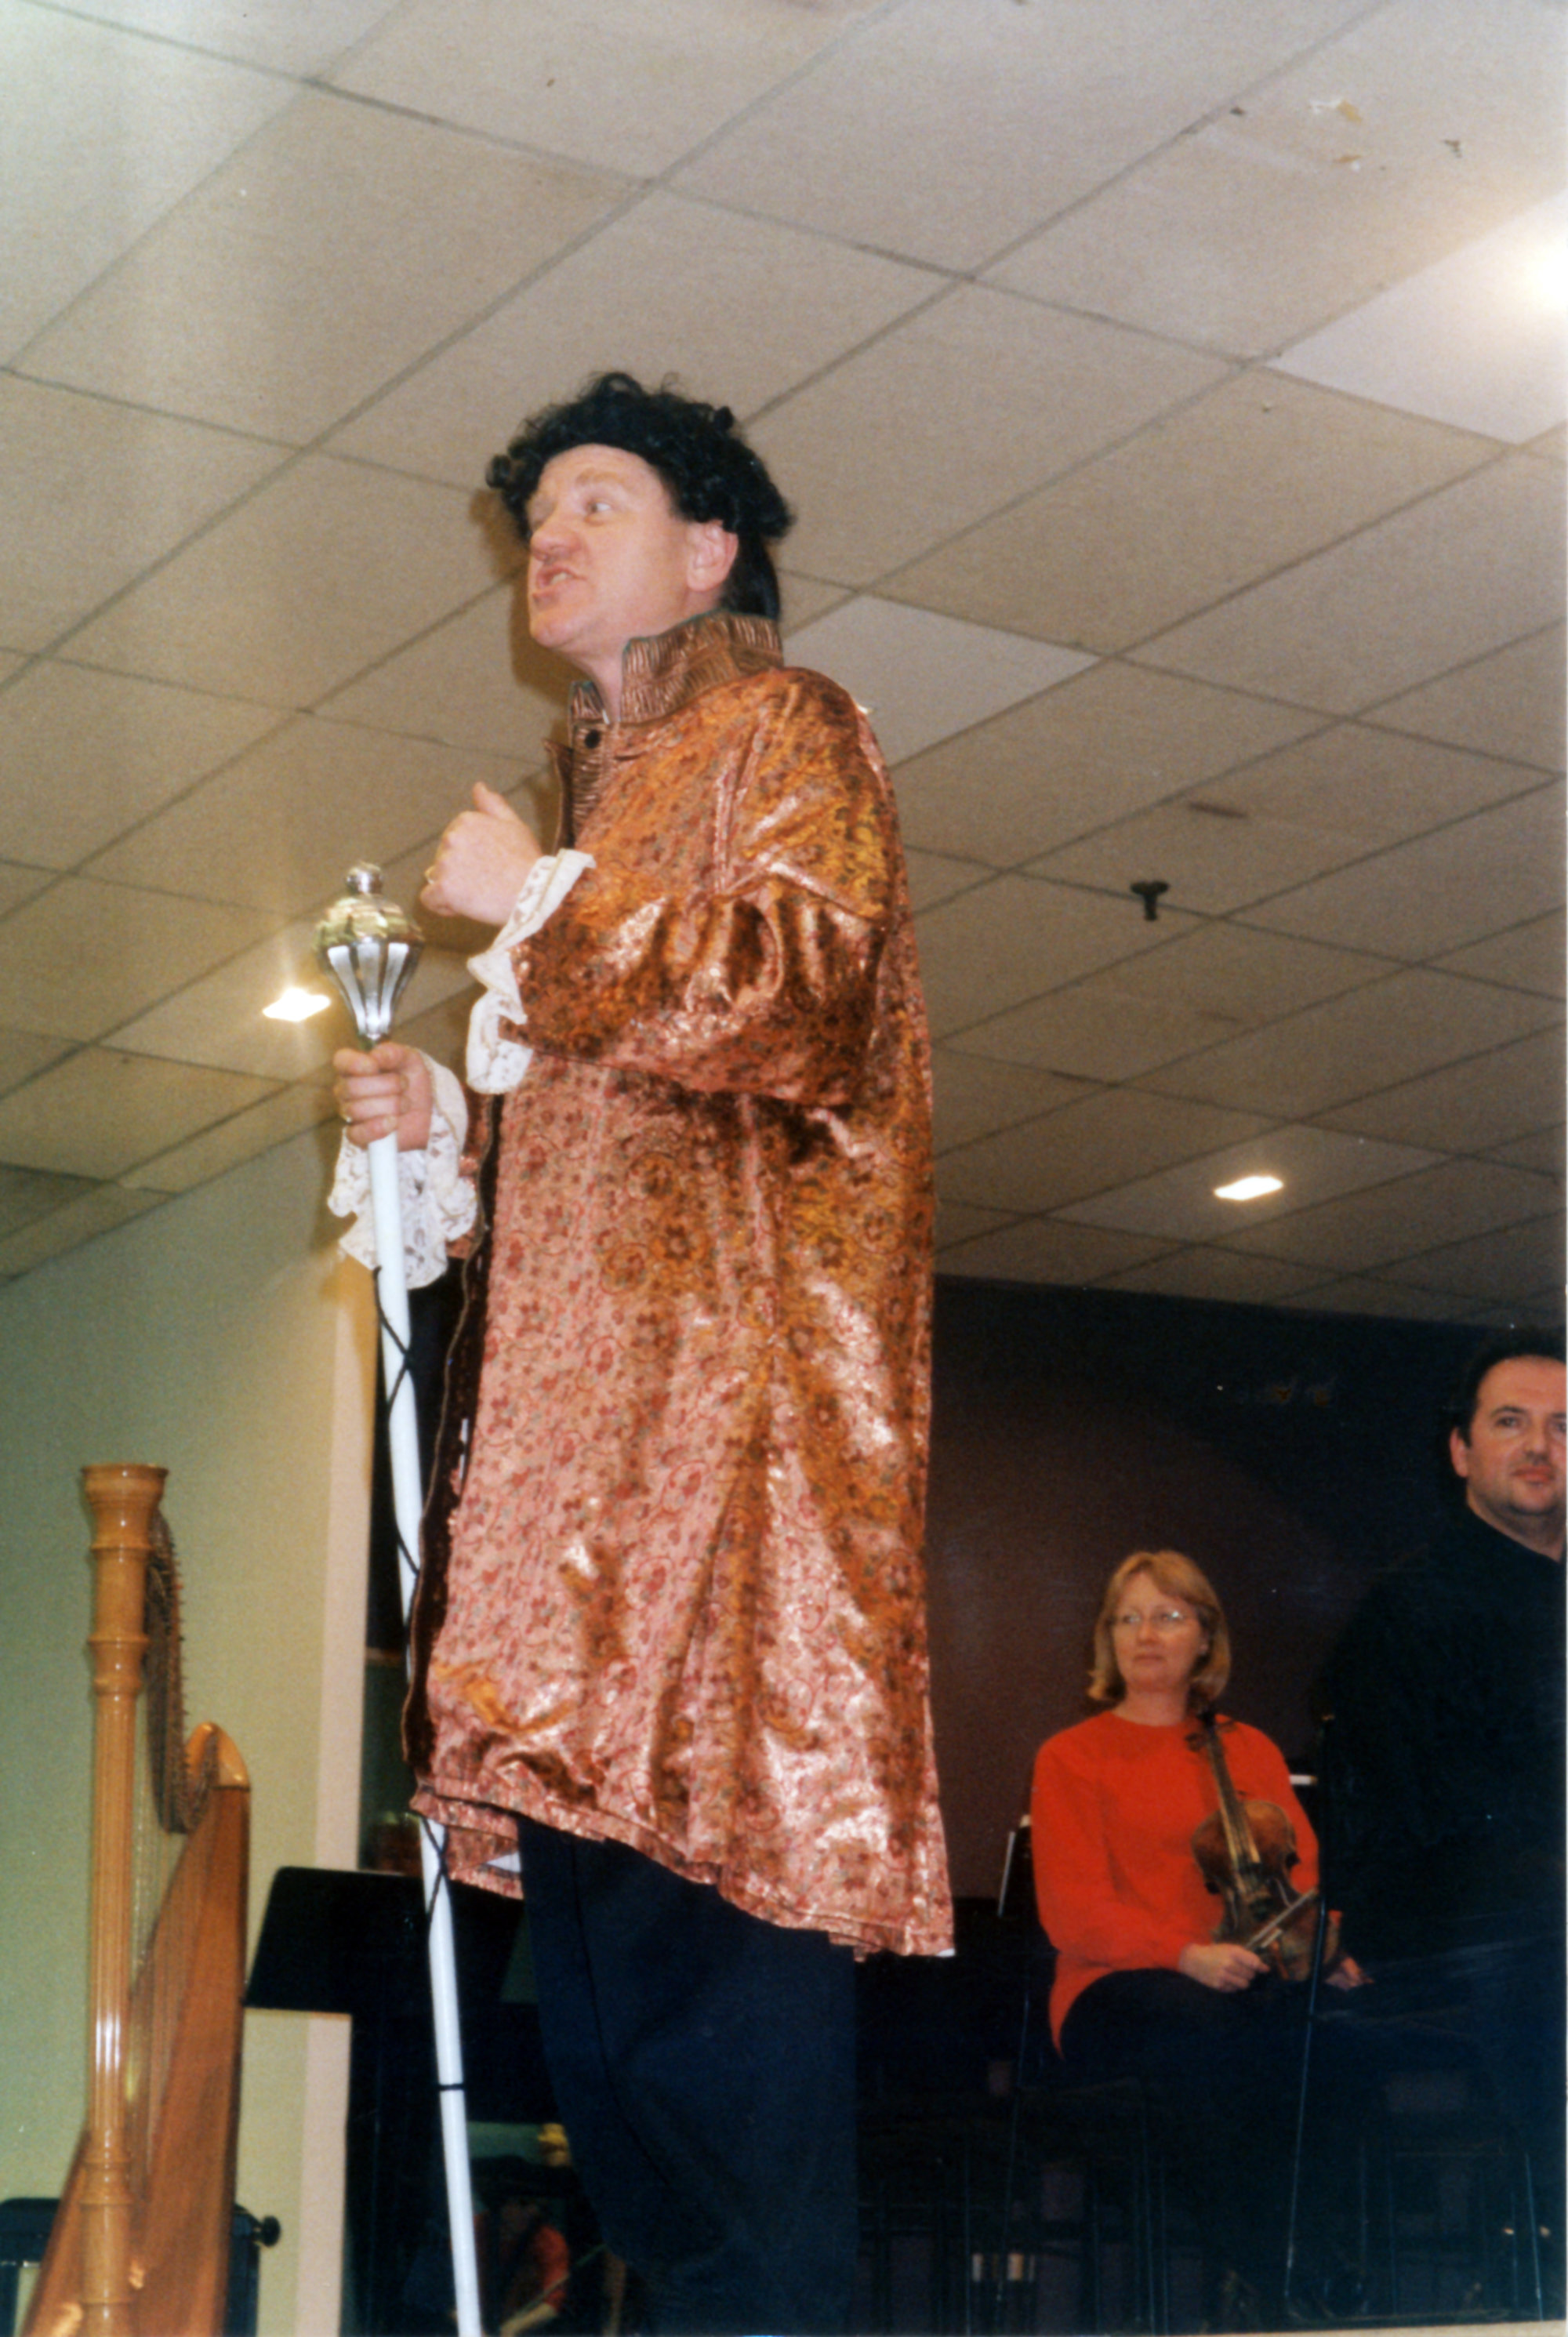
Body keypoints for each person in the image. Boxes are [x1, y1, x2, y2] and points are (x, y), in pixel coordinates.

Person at [332, 371, 952, 2335]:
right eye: (538, 511)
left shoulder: (789, 726)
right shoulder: (599, 788)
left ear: (709, 550)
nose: (552, 533)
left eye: (597, 501)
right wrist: (460, 1130)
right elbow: (634, 1165)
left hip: (721, 1536)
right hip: (574, 1558)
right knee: (629, 2117)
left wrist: (538, 904)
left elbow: (803, 1007)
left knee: (726, 2094)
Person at [1031, 1548, 1363, 2327]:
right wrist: (1185, 1952)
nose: (1144, 1633)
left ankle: (1263, 2278)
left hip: (1238, 1982)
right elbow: (1073, 1912)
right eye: (1127, 1616)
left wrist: (1330, 1949)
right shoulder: (1070, 1756)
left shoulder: (1245, 1748)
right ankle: (1285, 2266)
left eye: (1168, 1615)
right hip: (1114, 1988)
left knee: (1324, 2034)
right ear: (1106, 1637)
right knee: (1209, 2028)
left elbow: (1301, 1876)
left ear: (1204, 1639)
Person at [1316, 1329, 1566, 2306]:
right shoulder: (1405, 1610)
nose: (1538, 1445)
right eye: (1510, 1422)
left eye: (1560, 1425)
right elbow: (1421, 1810)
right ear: (1460, 1449)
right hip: (1435, 1907)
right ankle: (1537, 2273)